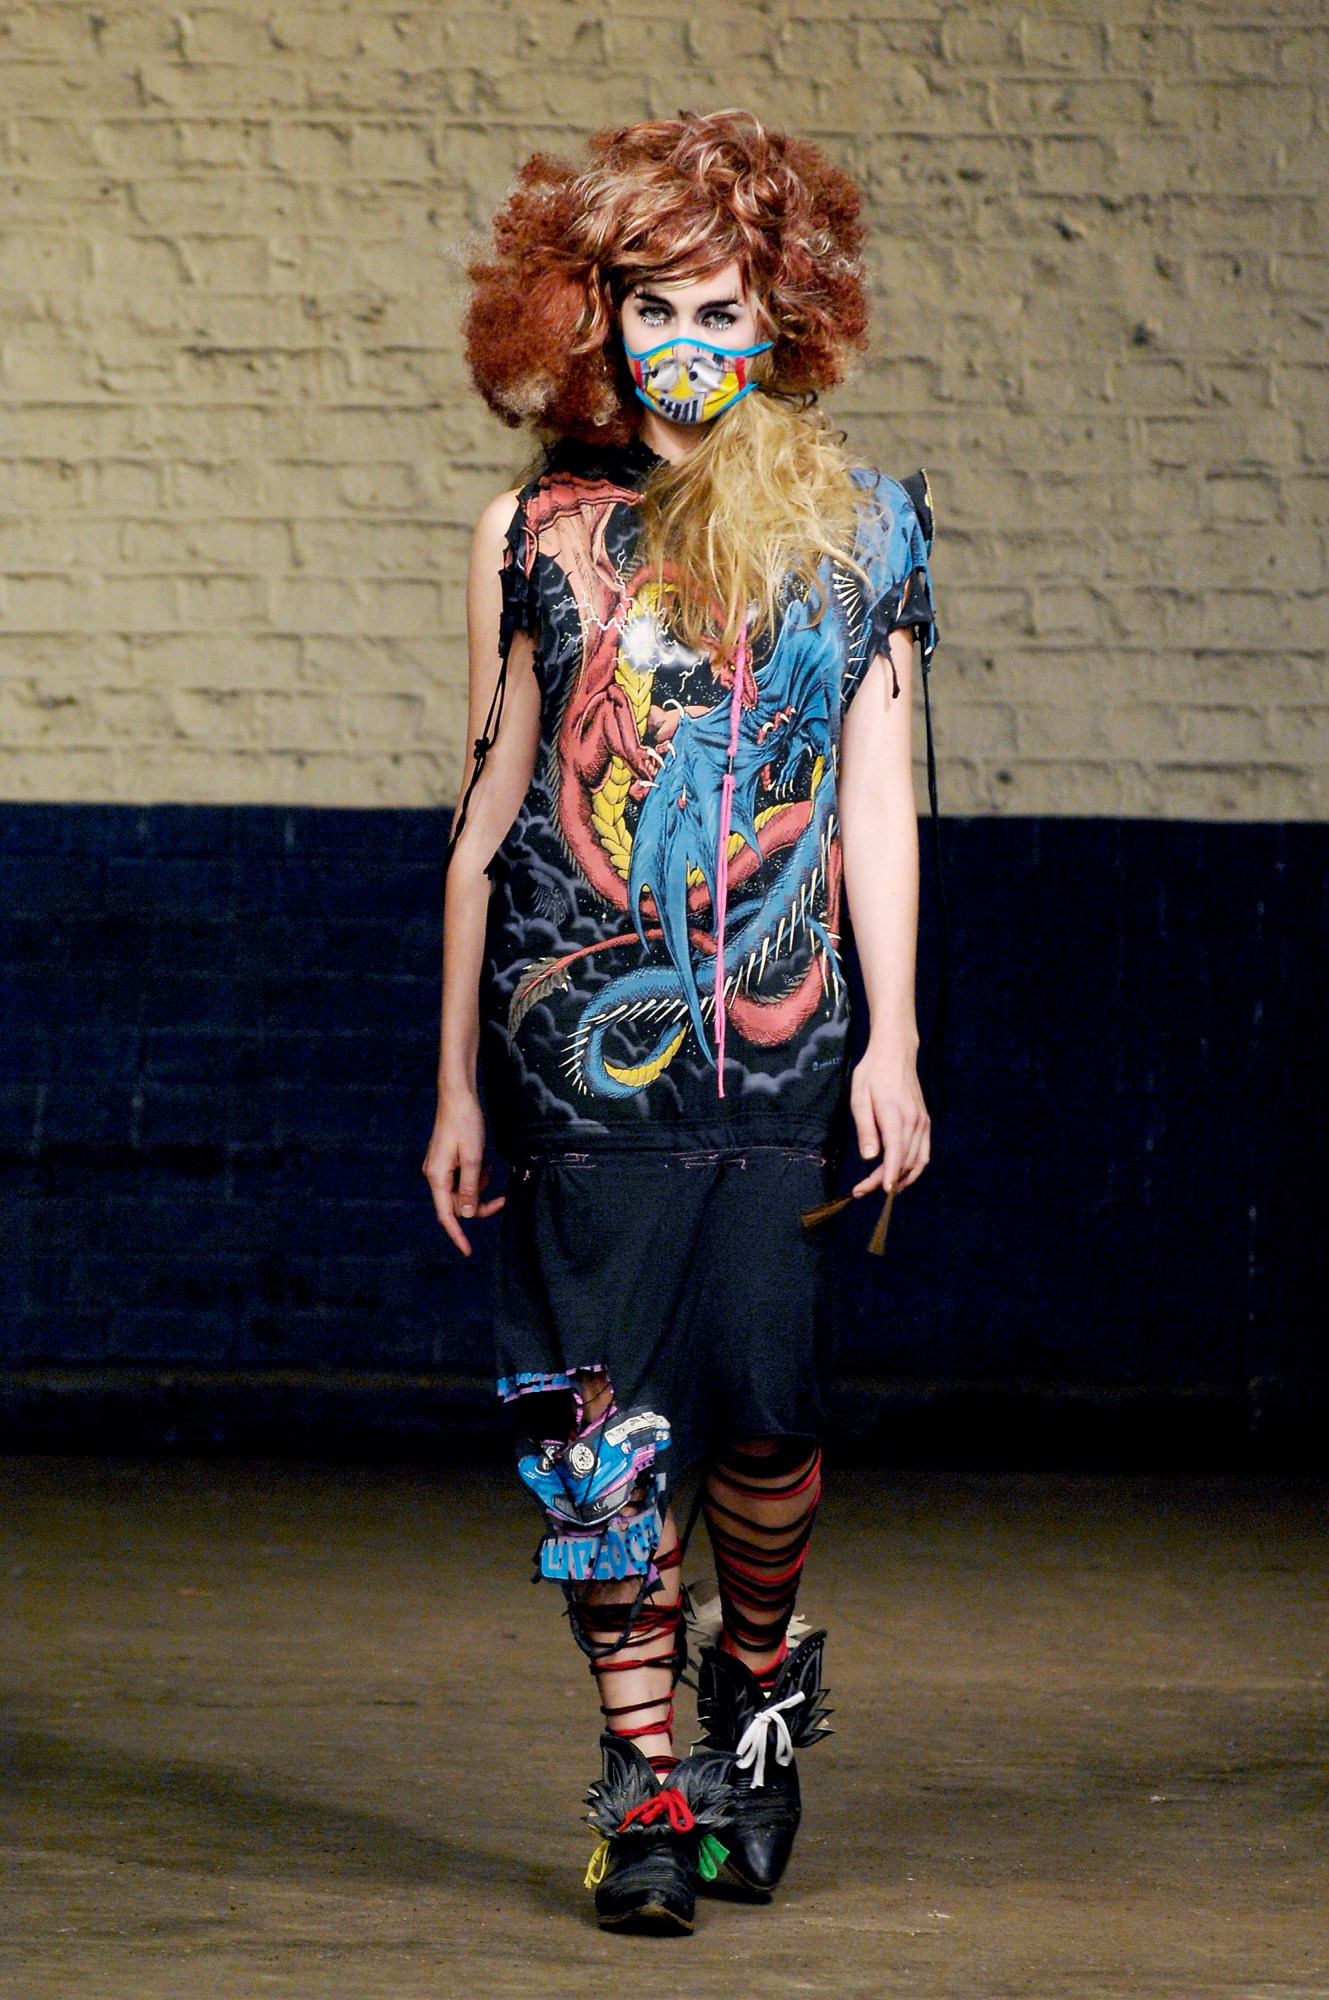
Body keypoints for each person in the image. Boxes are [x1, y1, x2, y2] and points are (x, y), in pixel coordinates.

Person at [423, 108, 937, 1934]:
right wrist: (452, 1086)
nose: (686, 343)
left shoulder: (861, 525)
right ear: (591, 313)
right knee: (601, 1437)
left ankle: (759, 1693)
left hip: (784, 1057)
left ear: (780, 314)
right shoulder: (533, 530)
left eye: (722, 307)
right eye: (654, 305)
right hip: (571, 1059)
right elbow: (485, 816)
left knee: (767, 1424)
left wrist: (893, 1042)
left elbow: (877, 802)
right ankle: (642, 1787)